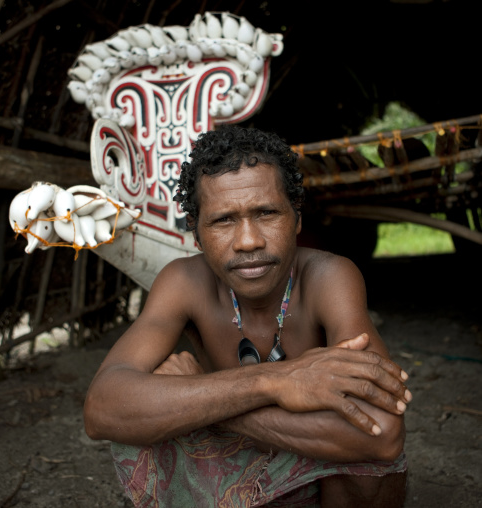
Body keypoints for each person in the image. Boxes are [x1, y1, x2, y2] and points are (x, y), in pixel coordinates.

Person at [83, 125, 412, 507]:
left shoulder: (329, 278)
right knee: (138, 424)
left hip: (317, 477)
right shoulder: (183, 282)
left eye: (267, 213)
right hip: (232, 471)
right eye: (223, 221)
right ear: (197, 233)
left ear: (297, 219)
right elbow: (103, 407)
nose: (248, 241)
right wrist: (275, 381)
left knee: (368, 469)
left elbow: (384, 435)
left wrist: (210, 403)